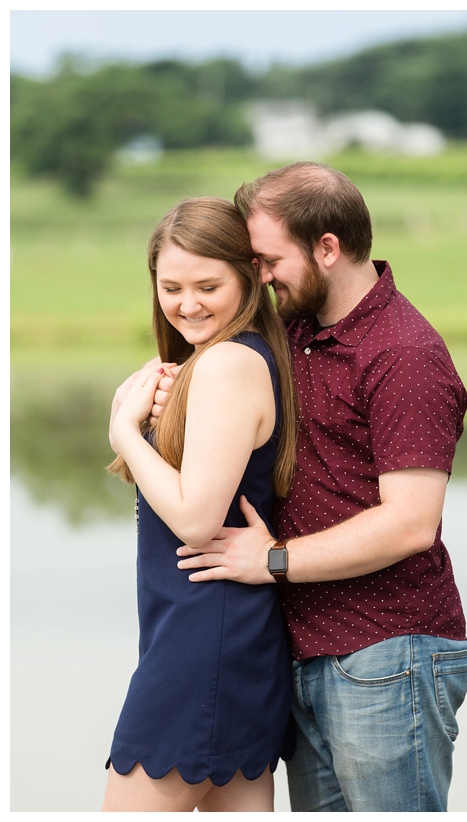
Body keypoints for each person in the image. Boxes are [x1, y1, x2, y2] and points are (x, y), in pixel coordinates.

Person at [159, 162, 467, 812]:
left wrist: (271, 561)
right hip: (304, 651)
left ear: (327, 248)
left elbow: (411, 522)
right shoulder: (297, 331)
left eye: (270, 259)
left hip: (388, 653)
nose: (261, 276)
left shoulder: (403, 353)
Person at [102, 197, 299, 811]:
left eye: (208, 285)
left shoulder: (228, 364)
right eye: (171, 287)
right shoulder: (220, 363)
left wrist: (126, 436)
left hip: (201, 638)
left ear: (248, 277)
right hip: (224, 633)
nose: (187, 304)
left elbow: (195, 520)